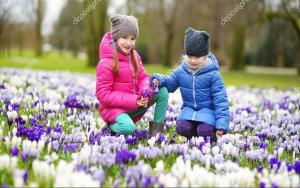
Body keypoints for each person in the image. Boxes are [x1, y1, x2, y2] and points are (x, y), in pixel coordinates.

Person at [151, 27, 230, 142]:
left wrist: (221, 125)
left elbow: (221, 100)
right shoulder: (181, 70)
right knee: (182, 128)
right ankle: (194, 140)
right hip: (189, 111)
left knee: (204, 131)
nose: (192, 60)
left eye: (197, 57)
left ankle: (208, 140)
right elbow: (170, 83)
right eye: (190, 56)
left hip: (207, 112)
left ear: (205, 55)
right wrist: (160, 80)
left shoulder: (213, 74)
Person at [96, 14, 169, 136]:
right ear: (116, 37)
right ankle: (109, 128)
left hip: (133, 104)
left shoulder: (134, 56)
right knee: (129, 129)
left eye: (132, 38)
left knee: (162, 92)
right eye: (124, 37)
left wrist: (145, 90)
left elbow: (143, 77)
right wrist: (133, 100)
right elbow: (103, 95)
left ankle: (156, 135)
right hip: (113, 109)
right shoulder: (106, 63)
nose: (129, 43)